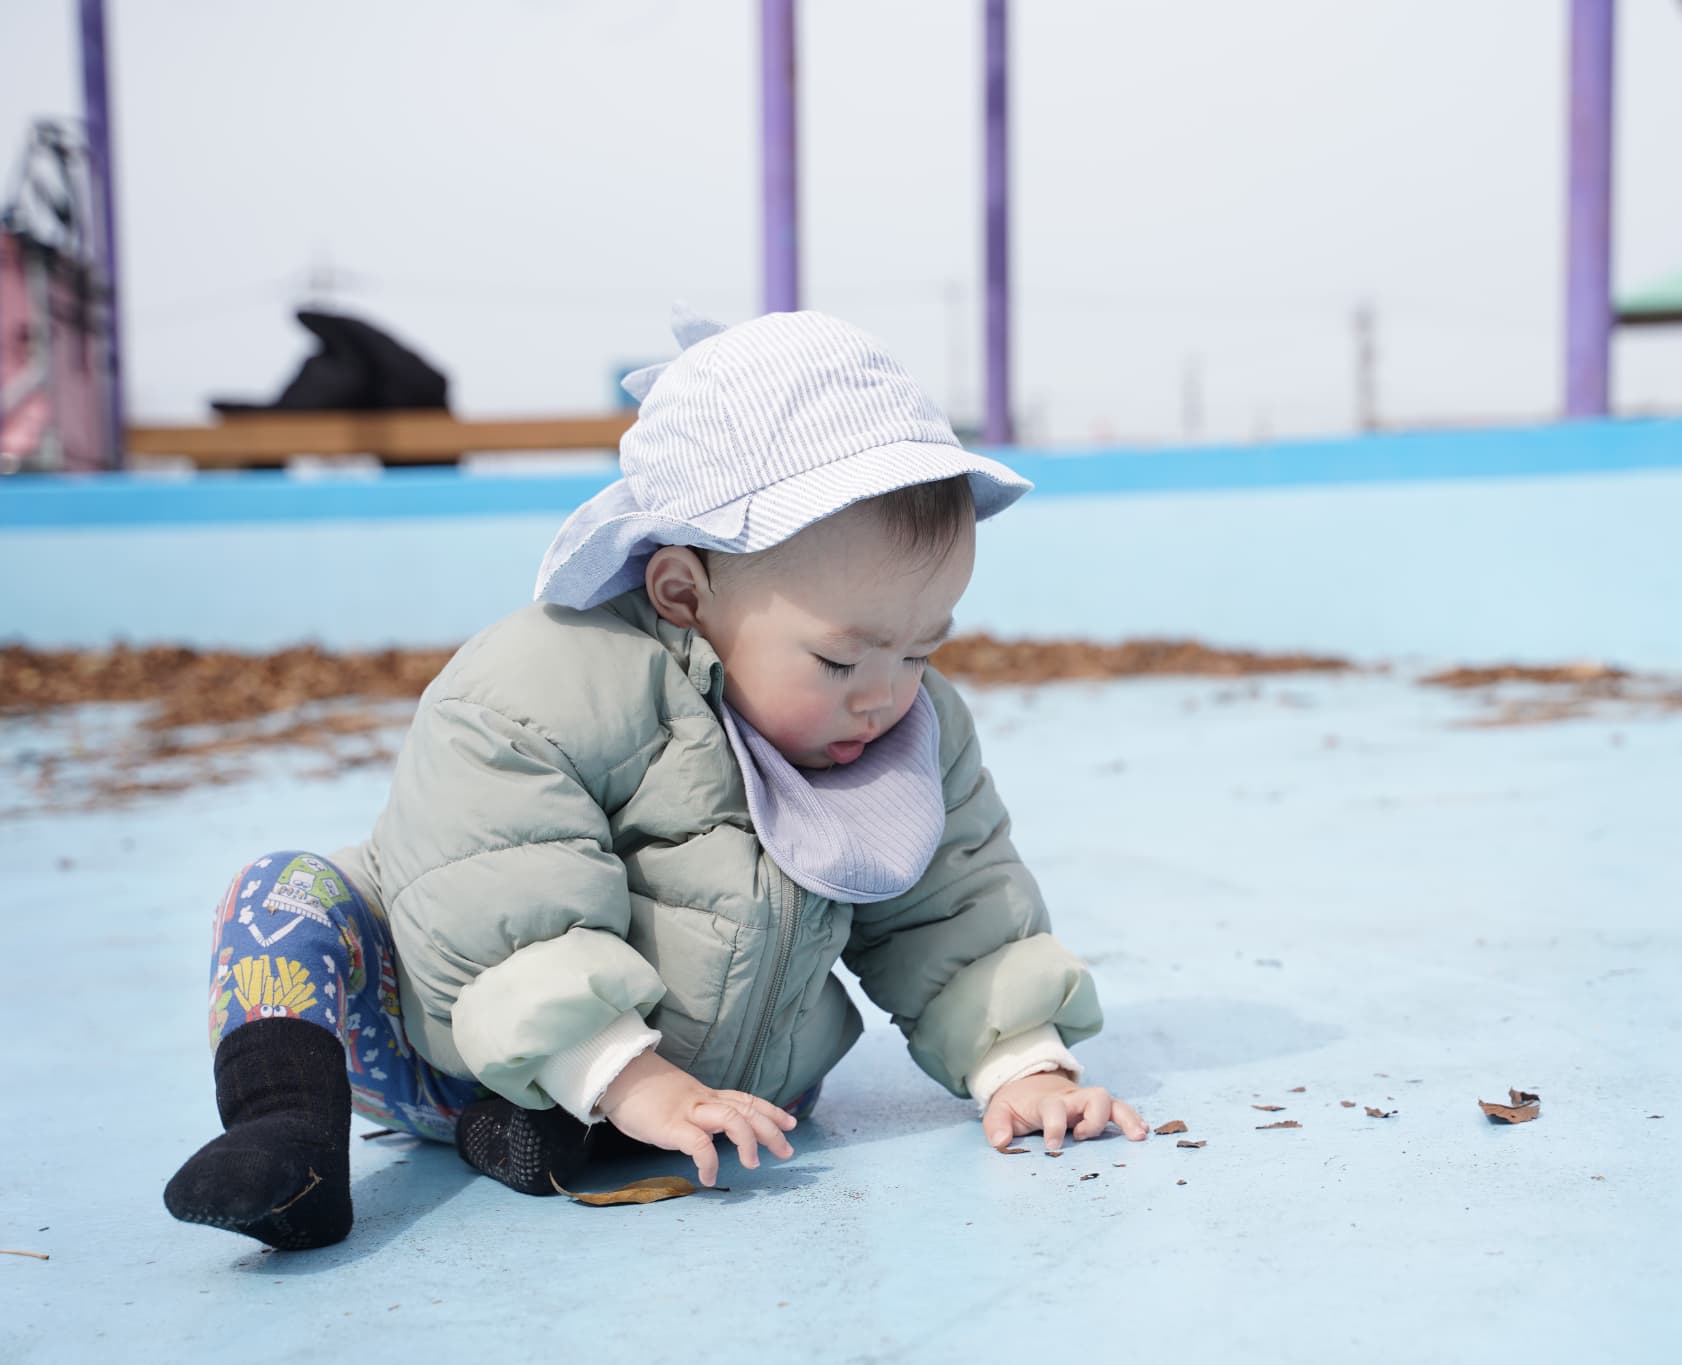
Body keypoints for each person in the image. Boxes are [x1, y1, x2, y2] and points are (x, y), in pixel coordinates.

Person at [163, 306, 1149, 1251]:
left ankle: (533, 1135)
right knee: (284, 895)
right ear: (683, 590)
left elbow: (955, 907)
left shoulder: (900, 724)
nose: (883, 695)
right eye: (841, 659)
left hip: (732, 1095)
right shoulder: (544, 685)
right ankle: (286, 1131)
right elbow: (503, 895)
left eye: (922, 650)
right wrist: (623, 1073)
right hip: (450, 1039)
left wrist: (1020, 1063)